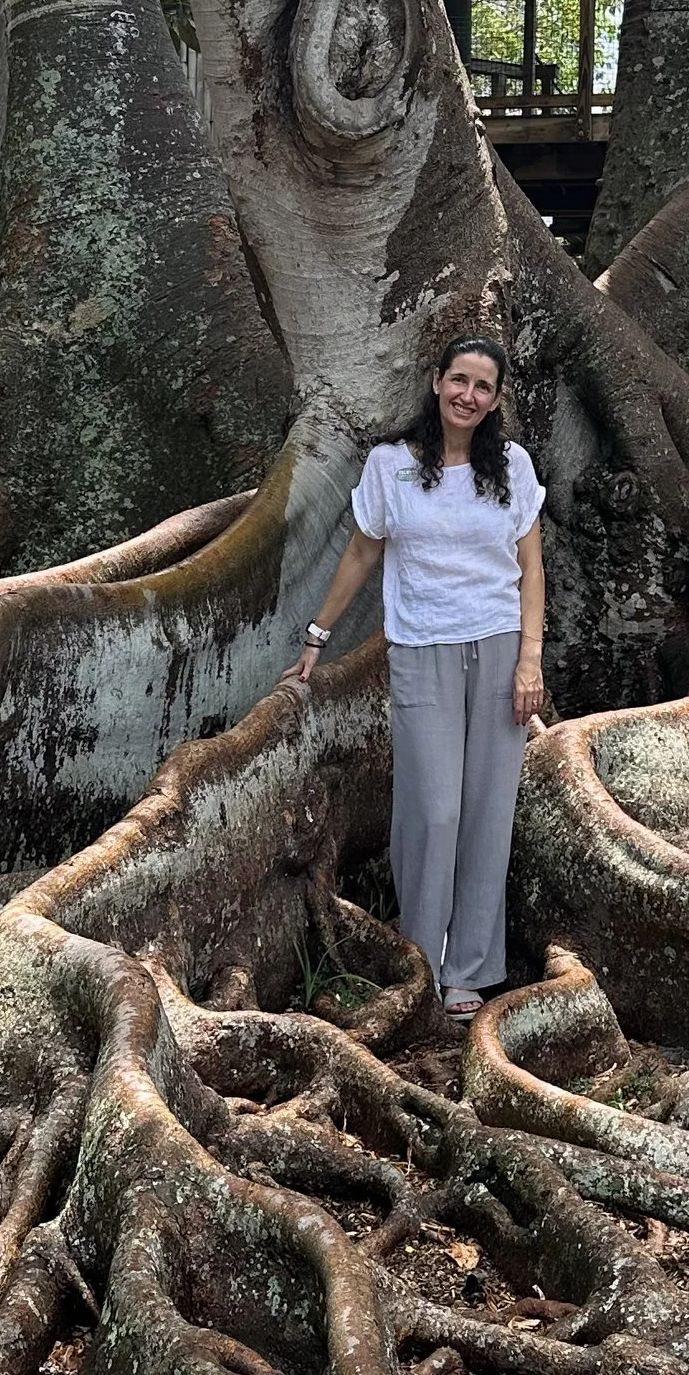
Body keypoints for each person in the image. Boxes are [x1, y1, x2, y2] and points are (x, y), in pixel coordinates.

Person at [284, 335, 545, 1018]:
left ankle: (471, 968)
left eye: (483, 387)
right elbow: (363, 549)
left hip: (497, 646)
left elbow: (532, 568)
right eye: (459, 380)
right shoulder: (391, 466)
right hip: (420, 648)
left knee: (488, 810)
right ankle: (420, 957)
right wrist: (317, 635)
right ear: (436, 382)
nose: (469, 395)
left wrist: (530, 658)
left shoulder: (511, 466)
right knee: (434, 810)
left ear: (495, 400)